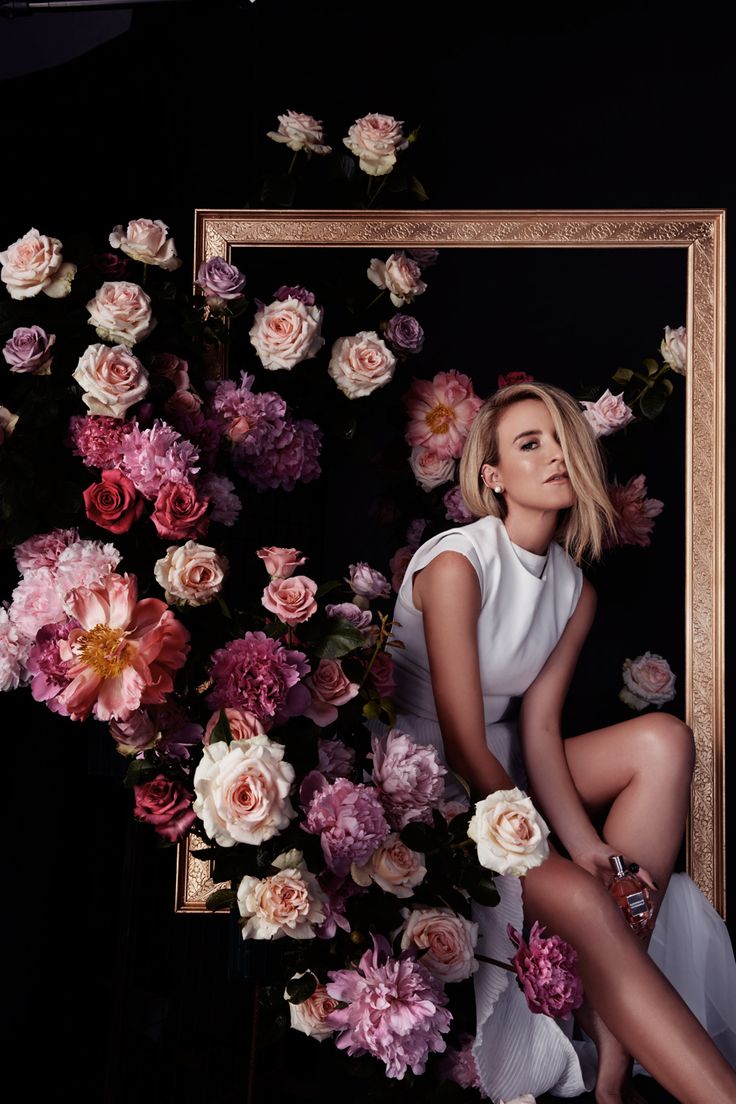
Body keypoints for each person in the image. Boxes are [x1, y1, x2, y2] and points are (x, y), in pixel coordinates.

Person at [366, 381, 736, 1104]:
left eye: (563, 439)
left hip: (507, 772)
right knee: (588, 903)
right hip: (430, 785)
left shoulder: (573, 588)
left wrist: (589, 847)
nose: (555, 454)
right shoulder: (456, 565)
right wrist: (535, 844)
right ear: (492, 476)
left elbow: (537, 731)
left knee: (664, 741)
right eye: (529, 443)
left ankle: (612, 1031)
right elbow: (467, 741)